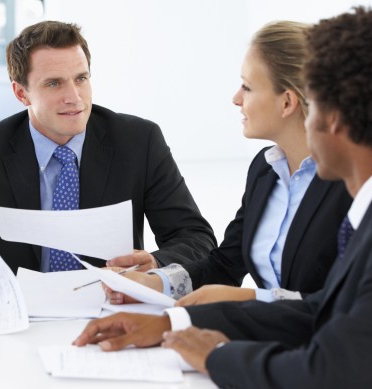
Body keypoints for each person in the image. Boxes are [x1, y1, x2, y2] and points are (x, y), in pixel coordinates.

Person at [74, 7, 372, 389]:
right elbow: (321, 310)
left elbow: (330, 376)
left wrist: (216, 355)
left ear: (334, 119)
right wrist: (173, 322)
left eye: (315, 107)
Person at [0, 20, 217, 275]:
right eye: (54, 84)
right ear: (21, 93)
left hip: (110, 305)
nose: (74, 97)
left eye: (81, 79)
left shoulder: (138, 141)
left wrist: (157, 264)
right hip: (16, 312)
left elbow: (196, 238)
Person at [107, 21, 352, 305]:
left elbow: (343, 302)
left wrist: (250, 297)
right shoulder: (265, 170)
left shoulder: (349, 181)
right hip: (265, 337)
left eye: (247, 87)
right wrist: (154, 283)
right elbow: (224, 266)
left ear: (287, 103)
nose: (236, 99)